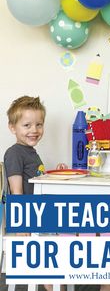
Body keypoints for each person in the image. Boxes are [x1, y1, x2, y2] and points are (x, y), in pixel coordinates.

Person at [4, 95, 67, 291]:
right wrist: (23, 223)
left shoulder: (31, 152)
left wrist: (53, 173)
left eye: (39, 125)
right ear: (12, 128)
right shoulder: (14, 153)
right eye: (27, 125)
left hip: (38, 211)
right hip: (30, 215)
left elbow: (34, 179)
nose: (34, 130)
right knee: (50, 247)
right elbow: (16, 191)